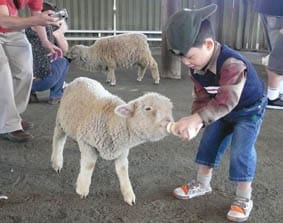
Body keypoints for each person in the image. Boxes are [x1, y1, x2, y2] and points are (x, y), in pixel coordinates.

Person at [165, 4, 267, 222]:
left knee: (242, 150)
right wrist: (197, 123)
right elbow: (202, 96)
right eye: (181, 57)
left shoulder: (232, 63)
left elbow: (227, 100)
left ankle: (243, 198)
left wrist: (196, 119)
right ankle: (202, 184)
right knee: (209, 142)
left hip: (248, 111)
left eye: (189, 56)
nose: (186, 63)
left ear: (208, 44)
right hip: (219, 110)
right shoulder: (196, 66)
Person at [0, 0, 62, 143]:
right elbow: (3, 21)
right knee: (2, 71)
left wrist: (46, 42)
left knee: (25, 72)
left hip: (13, 31)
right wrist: (36, 19)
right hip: (5, 23)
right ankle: (9, 124)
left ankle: (11, 117)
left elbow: (36, 15)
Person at [26, 1, 69, 105]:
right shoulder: (45, 28)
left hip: (23, 82)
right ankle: (56, 95)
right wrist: (59, 33)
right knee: (63, 61)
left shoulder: (26, 28)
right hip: (43, 81)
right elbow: (65, 50)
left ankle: (30, 94)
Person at [254, 0, 283, 109]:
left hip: (267, 7)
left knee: (276, 53)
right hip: (278, 12)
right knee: (279, 58)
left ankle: (279, 92)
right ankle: (272, 98)